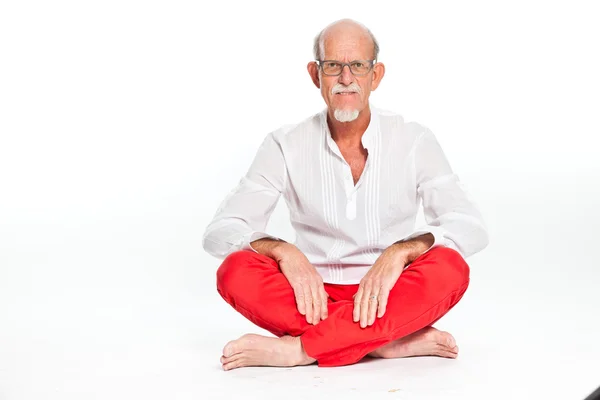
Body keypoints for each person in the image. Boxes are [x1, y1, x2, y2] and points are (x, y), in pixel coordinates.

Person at [202, 18, 489, 371]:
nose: (346, 78)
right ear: (314, 74)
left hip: (391, 293)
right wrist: (281, 249)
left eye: (358, 66)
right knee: (235, 270)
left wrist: (402, 251)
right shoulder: (284, 143)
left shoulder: (414, 139)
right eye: (333, 66)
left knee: (450, 267)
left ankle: (301, 350)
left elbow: (470, 227)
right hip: (310, 297)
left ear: (376, 75)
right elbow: (220, 232)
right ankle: (387, 342)